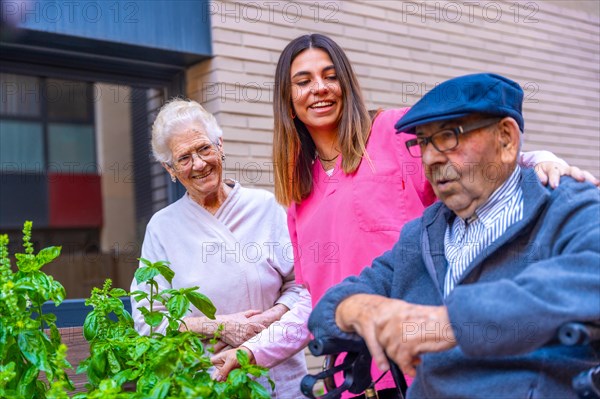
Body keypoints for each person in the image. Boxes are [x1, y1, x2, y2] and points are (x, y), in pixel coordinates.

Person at [272, 33, 598, 398]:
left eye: (447, 136)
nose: (429, 157)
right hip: (365, 374)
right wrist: (360, 308)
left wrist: (542, 160)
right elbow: (321, 299)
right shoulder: (423, 235)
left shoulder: (561, 207)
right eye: (423, 142)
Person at [130, 99, 311, 398]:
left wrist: (270, 318)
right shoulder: (162, 228)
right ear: (169, 169)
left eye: (204, 148)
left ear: (220, 144)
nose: (199, 164)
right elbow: (149, 320)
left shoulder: (263, 207)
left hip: (278, 379)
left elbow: (302, 286)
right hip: (208, 385)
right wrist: (217, 326)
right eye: (184, 158)